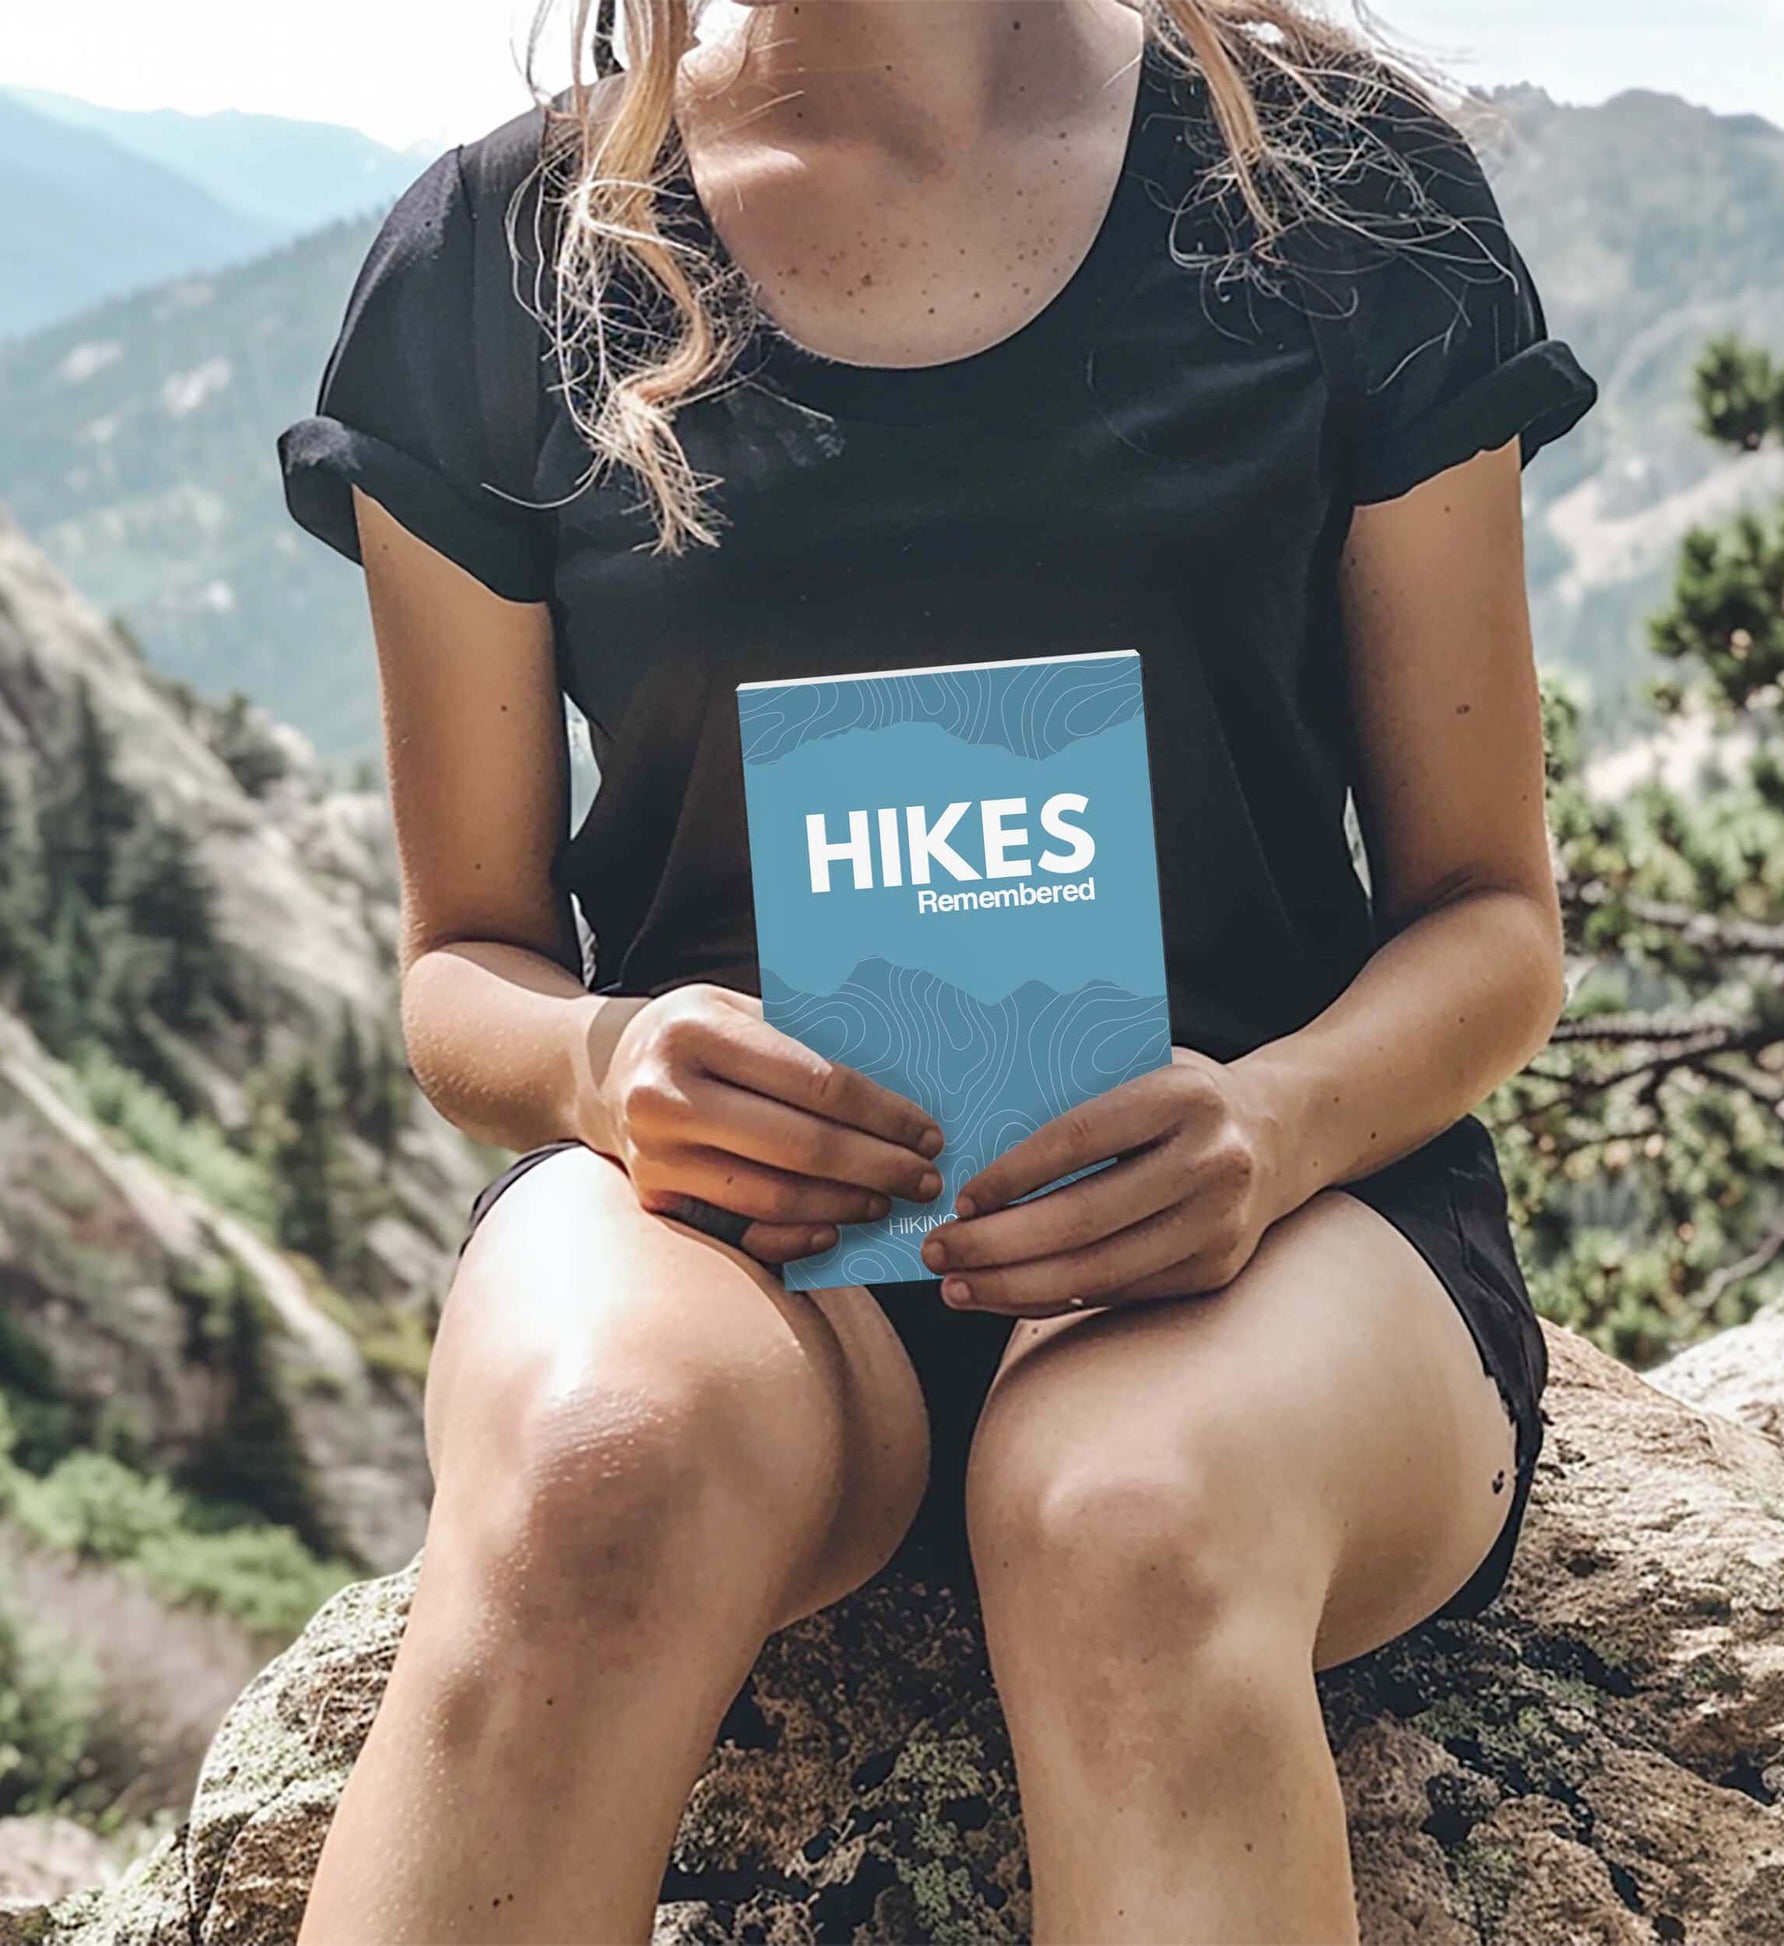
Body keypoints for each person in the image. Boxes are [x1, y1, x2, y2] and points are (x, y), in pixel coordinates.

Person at [277, 0, 1596, 1936]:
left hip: (1276, 1236)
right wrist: (602, 1065)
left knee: (1129, 1520)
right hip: (741, 1250)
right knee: (593, 1469)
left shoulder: (1336, 193)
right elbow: (463, 967)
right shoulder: (504, 257)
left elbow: (1490, 915)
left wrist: (1275, 1118)